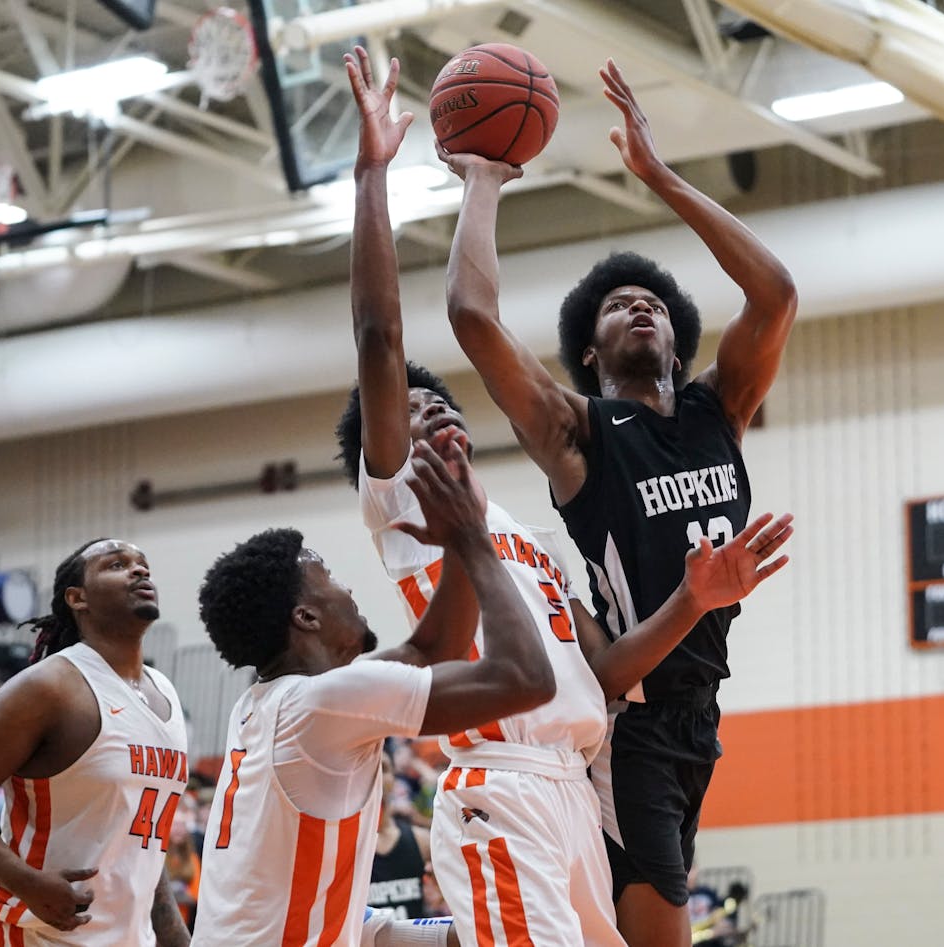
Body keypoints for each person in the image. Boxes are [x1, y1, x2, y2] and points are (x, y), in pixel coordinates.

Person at [341, 47, 793, 947]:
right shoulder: (579, 434)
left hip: (684, 707)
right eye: (615, 304)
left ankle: (403, 938)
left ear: (677, 332)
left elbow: (775, 291)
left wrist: (661, 176)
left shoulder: (717, 412)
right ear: (587, 352)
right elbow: (468, 321)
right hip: (616, 735)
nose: (640, 307)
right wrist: (485, 178)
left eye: (654, 302)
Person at [192, 438, 556, 947]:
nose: (349, 587)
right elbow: (527, 679)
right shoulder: (320, 705)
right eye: (331, 576)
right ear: (307, 617)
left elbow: (431, 650)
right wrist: (476, 539)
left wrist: (456, 542)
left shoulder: (265, 705)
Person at [0, 540, 190, 947]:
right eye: (117, 564)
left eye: (143, 565)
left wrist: (175, 937)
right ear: (77, 597)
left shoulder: (166, 693)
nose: (139, 571)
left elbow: (142, 840)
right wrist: (25, 882)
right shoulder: (51, 686)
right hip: (38, 935)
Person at [368, 751, 430, 921]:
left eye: (384, 768)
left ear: (395, 778)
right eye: (369, 767)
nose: (377, 775)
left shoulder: (421, 840)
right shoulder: (341, 844)